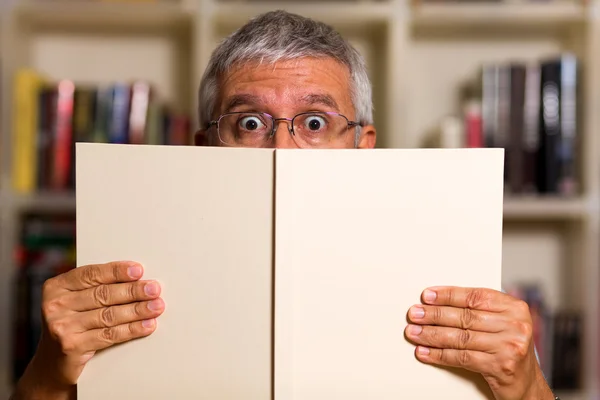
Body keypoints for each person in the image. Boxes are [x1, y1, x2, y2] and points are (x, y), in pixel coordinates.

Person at [12, 10, 557, 400]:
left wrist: (524, 384)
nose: (281, 148)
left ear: (363, 145)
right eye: (249, 123)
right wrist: (48, 373)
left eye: (315, 122)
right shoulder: (138, 261)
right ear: (207, 146)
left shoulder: (438, 260)